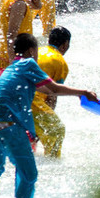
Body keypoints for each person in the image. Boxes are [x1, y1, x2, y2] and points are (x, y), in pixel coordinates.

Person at [0, 33, 98, 198]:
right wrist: (83, 92)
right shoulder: (28, 64)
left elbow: (42, 90)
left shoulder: (12, 67)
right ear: (31, 51)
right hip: (11, 127)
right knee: (29, 175)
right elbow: (52, 89)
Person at [31, 26, 72, 158]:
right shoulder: (60, 62)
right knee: (57, 129)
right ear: (65, 45)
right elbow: (53, 95)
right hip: (33, 100)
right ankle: (52, 162)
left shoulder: (38, 51)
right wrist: (48, 119)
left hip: (19, 96)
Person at [0, 0, 41, 68]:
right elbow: (11, 34)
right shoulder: (19, 4)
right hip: (15, 59)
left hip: (3, 54)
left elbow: (37, 5)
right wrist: (13, 63)